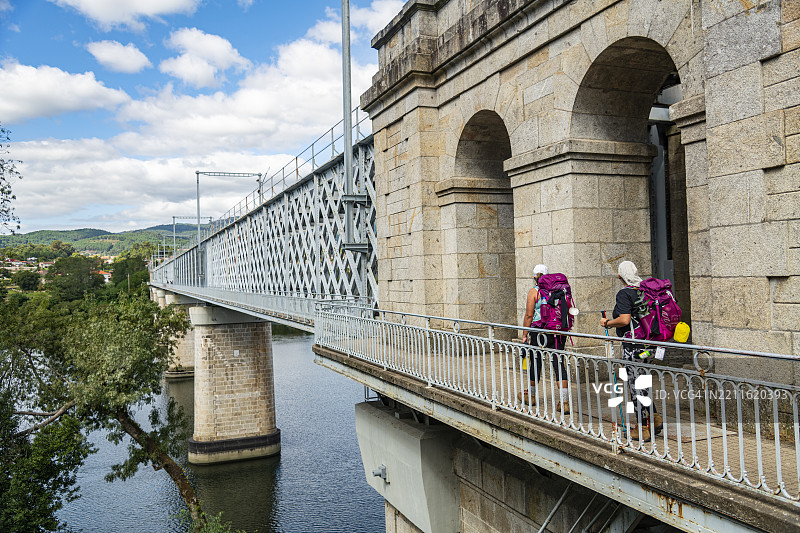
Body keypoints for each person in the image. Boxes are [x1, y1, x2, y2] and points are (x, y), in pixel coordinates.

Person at [599, 260, 663, 441]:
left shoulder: (624, 293)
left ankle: (641, 428)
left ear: (620, 275)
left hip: (633, 347)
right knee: (642, 382)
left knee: (635, 386)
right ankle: (655, 418)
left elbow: (625, 320)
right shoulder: (646, 291)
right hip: (648, 346)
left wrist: (608, 323)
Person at [520, 264, 570, 414]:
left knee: (535, 362)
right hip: (557, 330)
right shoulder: (560, 290)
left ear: (534, 276)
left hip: (539, 331)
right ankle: (564, 402)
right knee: (558, 363)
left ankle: (532, 396)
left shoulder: (534, 292)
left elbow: (529, 315)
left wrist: (524, 334)